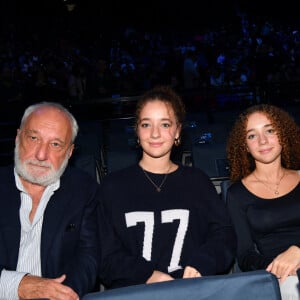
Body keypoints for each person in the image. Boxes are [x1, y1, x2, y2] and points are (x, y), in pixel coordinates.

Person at [98, 85, 236, 289]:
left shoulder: (198, 182)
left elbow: (224, 236)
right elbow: (105, 256)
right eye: (146, 125)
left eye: (164, 124)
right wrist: (147, 275)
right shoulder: (112, 187)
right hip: (134, 295)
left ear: (178, 131)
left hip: (192, 291)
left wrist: (202, 263)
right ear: (137, 130)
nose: (155, 134)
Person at [0, 102, 100, 299]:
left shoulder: (83, 189)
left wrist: (60, 295)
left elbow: (88, 258)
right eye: (34, 138)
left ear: (70, 152)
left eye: (55, 144)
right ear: (18, 137)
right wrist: (18, 285)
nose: (41, 155)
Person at [226, 104, 300, 300]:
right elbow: (245, 256)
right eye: (252, 135)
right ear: (245, 147)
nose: (262, 141)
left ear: (283, 134)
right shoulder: (237, 194)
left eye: (269, 130)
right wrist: (279, 265)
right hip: (281, 277)